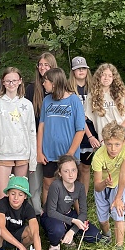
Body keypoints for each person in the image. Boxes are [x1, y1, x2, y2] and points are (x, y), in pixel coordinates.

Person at [85, 63, 125, 215]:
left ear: (114, 78)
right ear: (98, 77)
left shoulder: (120, 93)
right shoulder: (92, 96)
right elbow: (82, 118)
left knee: (123, 171)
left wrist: (118, 130)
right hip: (105, 140)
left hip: (124, 139)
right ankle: (110, 200)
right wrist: (90, 136)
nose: (106, 78)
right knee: (109, 172)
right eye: (104, 75)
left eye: (110, 75)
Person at [0, 67, 37, 200]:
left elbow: (32, 133)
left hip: (22, 154)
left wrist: (33, 160)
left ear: (20, 81)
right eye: (8, 81)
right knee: (3, 197)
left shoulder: (27, 104)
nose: (11, 84)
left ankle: (19, 215)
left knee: (19, 195)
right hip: (3, 154)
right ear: (3, 82)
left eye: (14, 80)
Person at [37, 67, 85, 203]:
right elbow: (41, 126)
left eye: (45, 81)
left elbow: (80, 130)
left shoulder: (74, 100)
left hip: (68, 153)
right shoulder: (47, 100)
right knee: (48, 184)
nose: (43, 83)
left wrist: (70, 154)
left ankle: (77, 212)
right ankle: (47, 212)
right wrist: (39, 151)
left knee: (71, 186)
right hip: (49, 153)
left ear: (54, 83)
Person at [41, 156, 102, 250]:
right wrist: (73, 221)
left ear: (77, 171)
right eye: (66, 171)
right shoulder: (56, 185)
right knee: (57, 229)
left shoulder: (80, 187)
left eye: (73, 170)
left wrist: (73, 231)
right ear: (60, 173)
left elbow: (83, 213)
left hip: (68, 213)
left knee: (95, 235)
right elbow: (51, 211)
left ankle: (67, 234)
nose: (70, 174)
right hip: (52, 216)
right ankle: (54, 245)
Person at [91, 123, 125, 250]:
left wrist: (118, 198)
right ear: (104, 142)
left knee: (119, 214)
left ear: (123, 142)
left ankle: (119, 248)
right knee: (102, 219)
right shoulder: (98, 156)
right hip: (103, 186)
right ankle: (107, 235)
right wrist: (105, 183)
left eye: (117, 144)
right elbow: (97, 186)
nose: (113, 149)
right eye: (109, 144)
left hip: (117, 184)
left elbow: (124, 173)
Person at [24, 52, 57, 214]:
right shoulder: (31, 89)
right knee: (35, 178)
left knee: (52, 177)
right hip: (35, 138)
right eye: (40, 65)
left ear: (53, 67)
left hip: (54, 140)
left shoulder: (61, 91)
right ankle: (36, 211)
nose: (42, 68)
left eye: (46, 65)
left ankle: (55, 208)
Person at [0, 176, 45, 250]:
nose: (16, 198)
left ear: (25, 196)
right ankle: (0, 249)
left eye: (20, 195)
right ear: (8, 193)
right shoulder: (2, 203)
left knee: (31, 232)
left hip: (18, 234)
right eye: (13, 193)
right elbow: (1, 228)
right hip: (3, 235)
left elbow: (35, 233)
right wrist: (21, 246)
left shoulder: (28, 208)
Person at [68, 56, 99, 195]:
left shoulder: (94, 88)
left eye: (83, 68)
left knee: (86, 167)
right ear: (73, 71)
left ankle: (83, 198)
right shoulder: (69, 89)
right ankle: (72, 197)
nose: (81, 71)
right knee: (75, 167)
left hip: (91, 131)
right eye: (77, 69)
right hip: (74, 132)